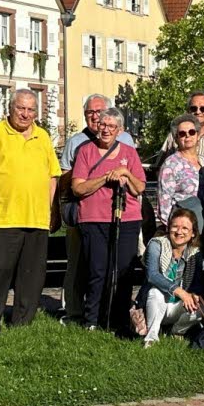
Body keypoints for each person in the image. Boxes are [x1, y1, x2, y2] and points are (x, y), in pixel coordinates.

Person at [0, 90, 62, 334]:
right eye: (21, 108)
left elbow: (52, 176)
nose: (25, 114)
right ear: (10, 109)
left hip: (36, 219)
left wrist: (51, 209)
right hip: (1, 217)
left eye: (31, 110)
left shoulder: (42, 137)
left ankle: (23, 323)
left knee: (31, 277)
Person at [56, 94, 136, 325]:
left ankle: (110, 310)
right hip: (85, 211)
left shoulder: (126, 139)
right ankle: (74, 311)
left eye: (99, 112)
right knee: (78, 263)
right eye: (90, 112)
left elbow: (134, 174)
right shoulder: (76, 142)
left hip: (120, 212)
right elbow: (65, 180)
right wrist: (89, 173)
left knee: (115, 264)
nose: (95, 116)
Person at [71, 108, 147, 332]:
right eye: (103, 125)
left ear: (119, 130)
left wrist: (125, 172)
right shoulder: (85, 151)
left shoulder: (129, 153)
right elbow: (78, 188)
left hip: (126, 218)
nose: (105, 130)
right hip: (93, 219)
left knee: (123, 271)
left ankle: (119, 319)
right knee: (97, 270)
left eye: (111, 126)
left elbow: (139, 187)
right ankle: (92, 319)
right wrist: (105, 178)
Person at [157, 91, 204, 226]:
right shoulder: (171, 163)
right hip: (183, 227)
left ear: (198, 135)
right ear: (176, 138)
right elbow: (164, 202)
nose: (187, 136)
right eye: (182, 134)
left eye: (191, 132)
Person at [142, 208, 204, 347]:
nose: (179, 232)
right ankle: (151, 337)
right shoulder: (156, 244)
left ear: (193, 233)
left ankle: (176, 331)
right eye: (175, 226)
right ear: (168, 228)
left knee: (200, 306)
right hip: (155, 304)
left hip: (177, 306)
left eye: (185, 228)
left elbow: (197, 283)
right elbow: (152, 275)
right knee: (155, 292)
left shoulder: (195, 252)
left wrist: (194, 295)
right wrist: (180, 291)